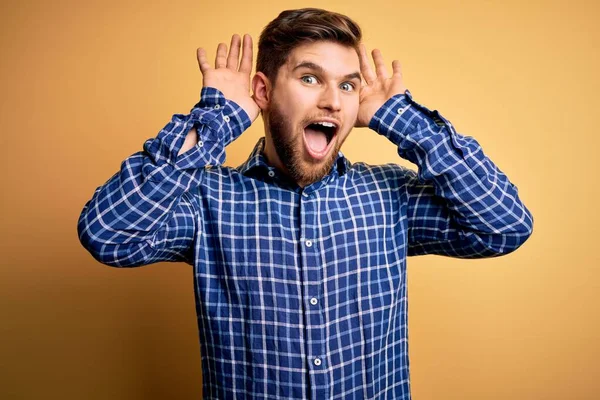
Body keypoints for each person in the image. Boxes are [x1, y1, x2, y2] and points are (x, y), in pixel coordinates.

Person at [77, 7, 534, 400]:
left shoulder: (390, 195)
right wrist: (219, 118)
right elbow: (108, 234)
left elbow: (504, 226)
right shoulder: (207, 200)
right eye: (310, 78)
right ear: (263, 92)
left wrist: (402, 119)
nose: (333, 102)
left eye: (349, 86)